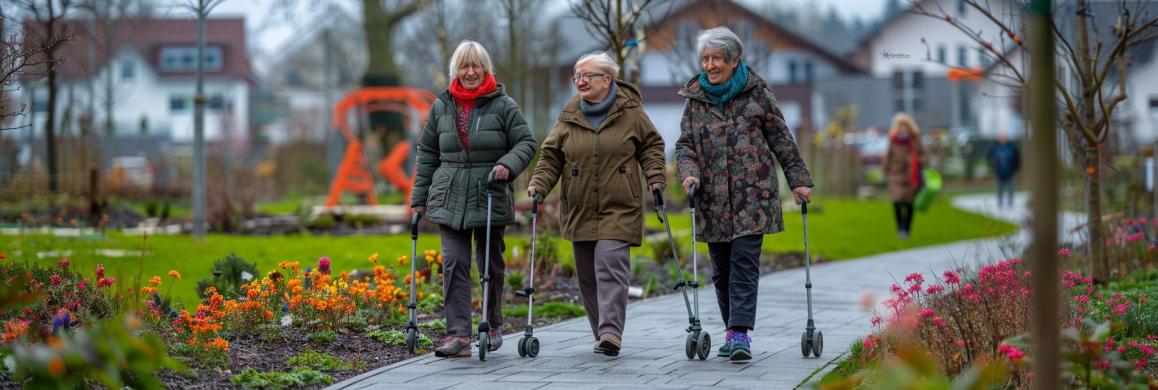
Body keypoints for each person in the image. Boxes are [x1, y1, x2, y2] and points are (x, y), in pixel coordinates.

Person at [674, 27, 813, 363]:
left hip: (753, 196)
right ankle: (731, 331)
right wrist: (689, 172)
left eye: (716, 59)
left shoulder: (757, 93)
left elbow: (781, 138)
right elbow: (685, 145)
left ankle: (739, 333)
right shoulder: (695, 99)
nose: (709, 65)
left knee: (744, 264)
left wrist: (798, 180)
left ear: (734, 60)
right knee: (721, 271)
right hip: (713, 199)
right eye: (705, 59)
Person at [527, 51, 667, 357]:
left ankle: (611, 332)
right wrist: (539, 184)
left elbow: (652, 145)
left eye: (587, 76)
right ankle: (601, 332)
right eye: (577, 76)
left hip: (620, 203)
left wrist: (656, 177)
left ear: (607, 79)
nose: (580, 81)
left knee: (610, 262)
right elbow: (551, 156)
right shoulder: (570, 113)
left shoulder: (630, 111)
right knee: (587, 276)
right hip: (580, 205)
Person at [410, 40, 537, 358]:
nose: (470, 72)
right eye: (464, 66)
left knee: (490, 263)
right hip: (449, 196)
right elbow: (427, 153)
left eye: (476, 65)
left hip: (489, 193)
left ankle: (492, 325)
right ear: (456, 70)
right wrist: (419, 198)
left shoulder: (504, 105)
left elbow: (525, 142)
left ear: (486, 69)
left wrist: (507, 165)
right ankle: (458, 335)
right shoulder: (442, 106)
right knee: (454, 263)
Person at [883, 113, 927, 239]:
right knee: (897, 202)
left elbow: (924, 155)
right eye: (900, 127)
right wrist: (886, 170)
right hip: (895, 176)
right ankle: (900, 228)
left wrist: (917, 161)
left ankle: (907, 229)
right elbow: (888, 157)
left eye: (905, 126)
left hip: (911, 177)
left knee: (909, 204)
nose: (903, 129)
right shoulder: (893, 141)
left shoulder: (915, 140)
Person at [987, 132, 1020, 208]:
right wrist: (991, 167)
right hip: (999, 172)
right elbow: (989, 157)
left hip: (1010, 171)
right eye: (1001, 138)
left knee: (1011, 188)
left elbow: (1017, 158)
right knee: (1000, 188)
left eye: (1004, 138)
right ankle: (1000, 203)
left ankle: (1010, 203)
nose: (1002, 139)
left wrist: (1016, 168)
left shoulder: (1012, 147)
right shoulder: (995, 147)